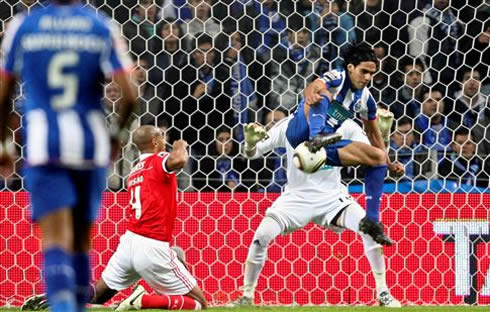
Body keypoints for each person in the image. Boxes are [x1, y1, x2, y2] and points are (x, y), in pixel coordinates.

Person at [0, 1, 136, 311]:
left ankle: (62, 307)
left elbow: (4, 91)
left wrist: (4, 144)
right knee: (80, 241)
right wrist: (116, 135)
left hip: (44, 144)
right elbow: (130, 95)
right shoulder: (101, 25)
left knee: (55, 240)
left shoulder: (23, 26)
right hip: (90, 144)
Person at [21, 125, 208, 311]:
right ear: (155, 141)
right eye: (162, 137)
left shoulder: (135, 170)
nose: (165, 141)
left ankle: (61, 297)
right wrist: (180, 145)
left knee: (99, 294)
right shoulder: (157, 160)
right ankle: (143, 300)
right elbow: (180, 160)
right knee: (199, 304)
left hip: (130, 243)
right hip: (152, 245)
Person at [228, 115, 401, 308]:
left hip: (333, 198)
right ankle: (247, 295)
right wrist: (250, 144)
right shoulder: (290, 124)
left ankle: (383, 292)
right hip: (295, 198)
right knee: (261, 236)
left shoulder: (346, 125)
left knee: (369, 229)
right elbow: (253, 153)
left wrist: (383, 139)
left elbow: (373, 157)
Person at [291, 43, 404, 246]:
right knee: (324, 93)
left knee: (377, 156)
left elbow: (373, 133)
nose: (368, 77)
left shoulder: (365, 98)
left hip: (326, 147)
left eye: (372, 73)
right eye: (364, 71)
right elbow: (315, 86)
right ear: (351, 67)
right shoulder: (338, 76)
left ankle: (371, 220)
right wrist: (310, 90)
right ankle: (317, 137)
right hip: (301, 132)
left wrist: (388, 163)